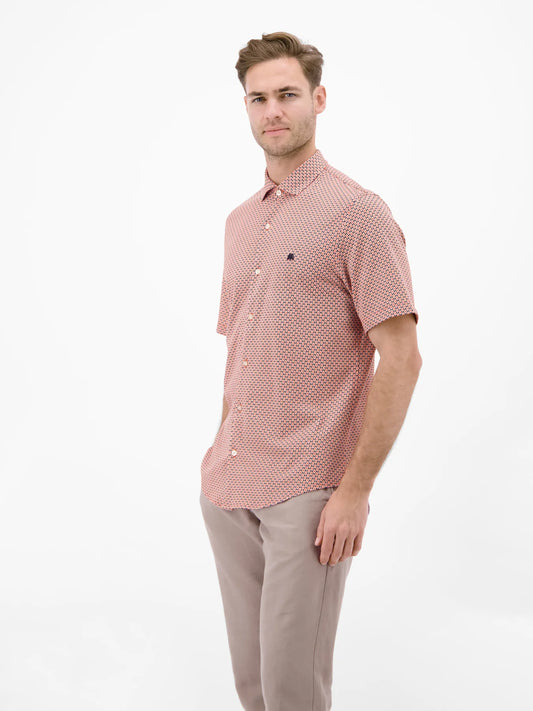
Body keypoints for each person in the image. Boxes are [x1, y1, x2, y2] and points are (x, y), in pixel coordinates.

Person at [199, 31, 422, 711]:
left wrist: (353, 492)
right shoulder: (239, 222)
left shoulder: (358, 213)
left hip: (308, 493)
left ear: (318, 99)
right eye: (258, 98)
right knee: (253, 687)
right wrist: (216, 453)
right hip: (229, 487)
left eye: (287, 94)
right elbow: (239, 350)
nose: (273, 110)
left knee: (292, 692)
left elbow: (402, 356)